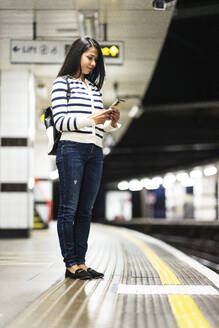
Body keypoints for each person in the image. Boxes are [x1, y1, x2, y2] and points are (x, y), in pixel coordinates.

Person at [51, 37, 121, 280]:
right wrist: (94, 119)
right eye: (89, 58)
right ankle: (71, 264)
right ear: (77, 55)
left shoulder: (94, 89)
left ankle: (81, 262)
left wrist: (111, 121)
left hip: (94, 151)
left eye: (95, 60)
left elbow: (98, 128)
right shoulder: (62, 84)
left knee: (85, 211)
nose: (93, 63)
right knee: (68, 210)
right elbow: (61, 123)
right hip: (72, 149)